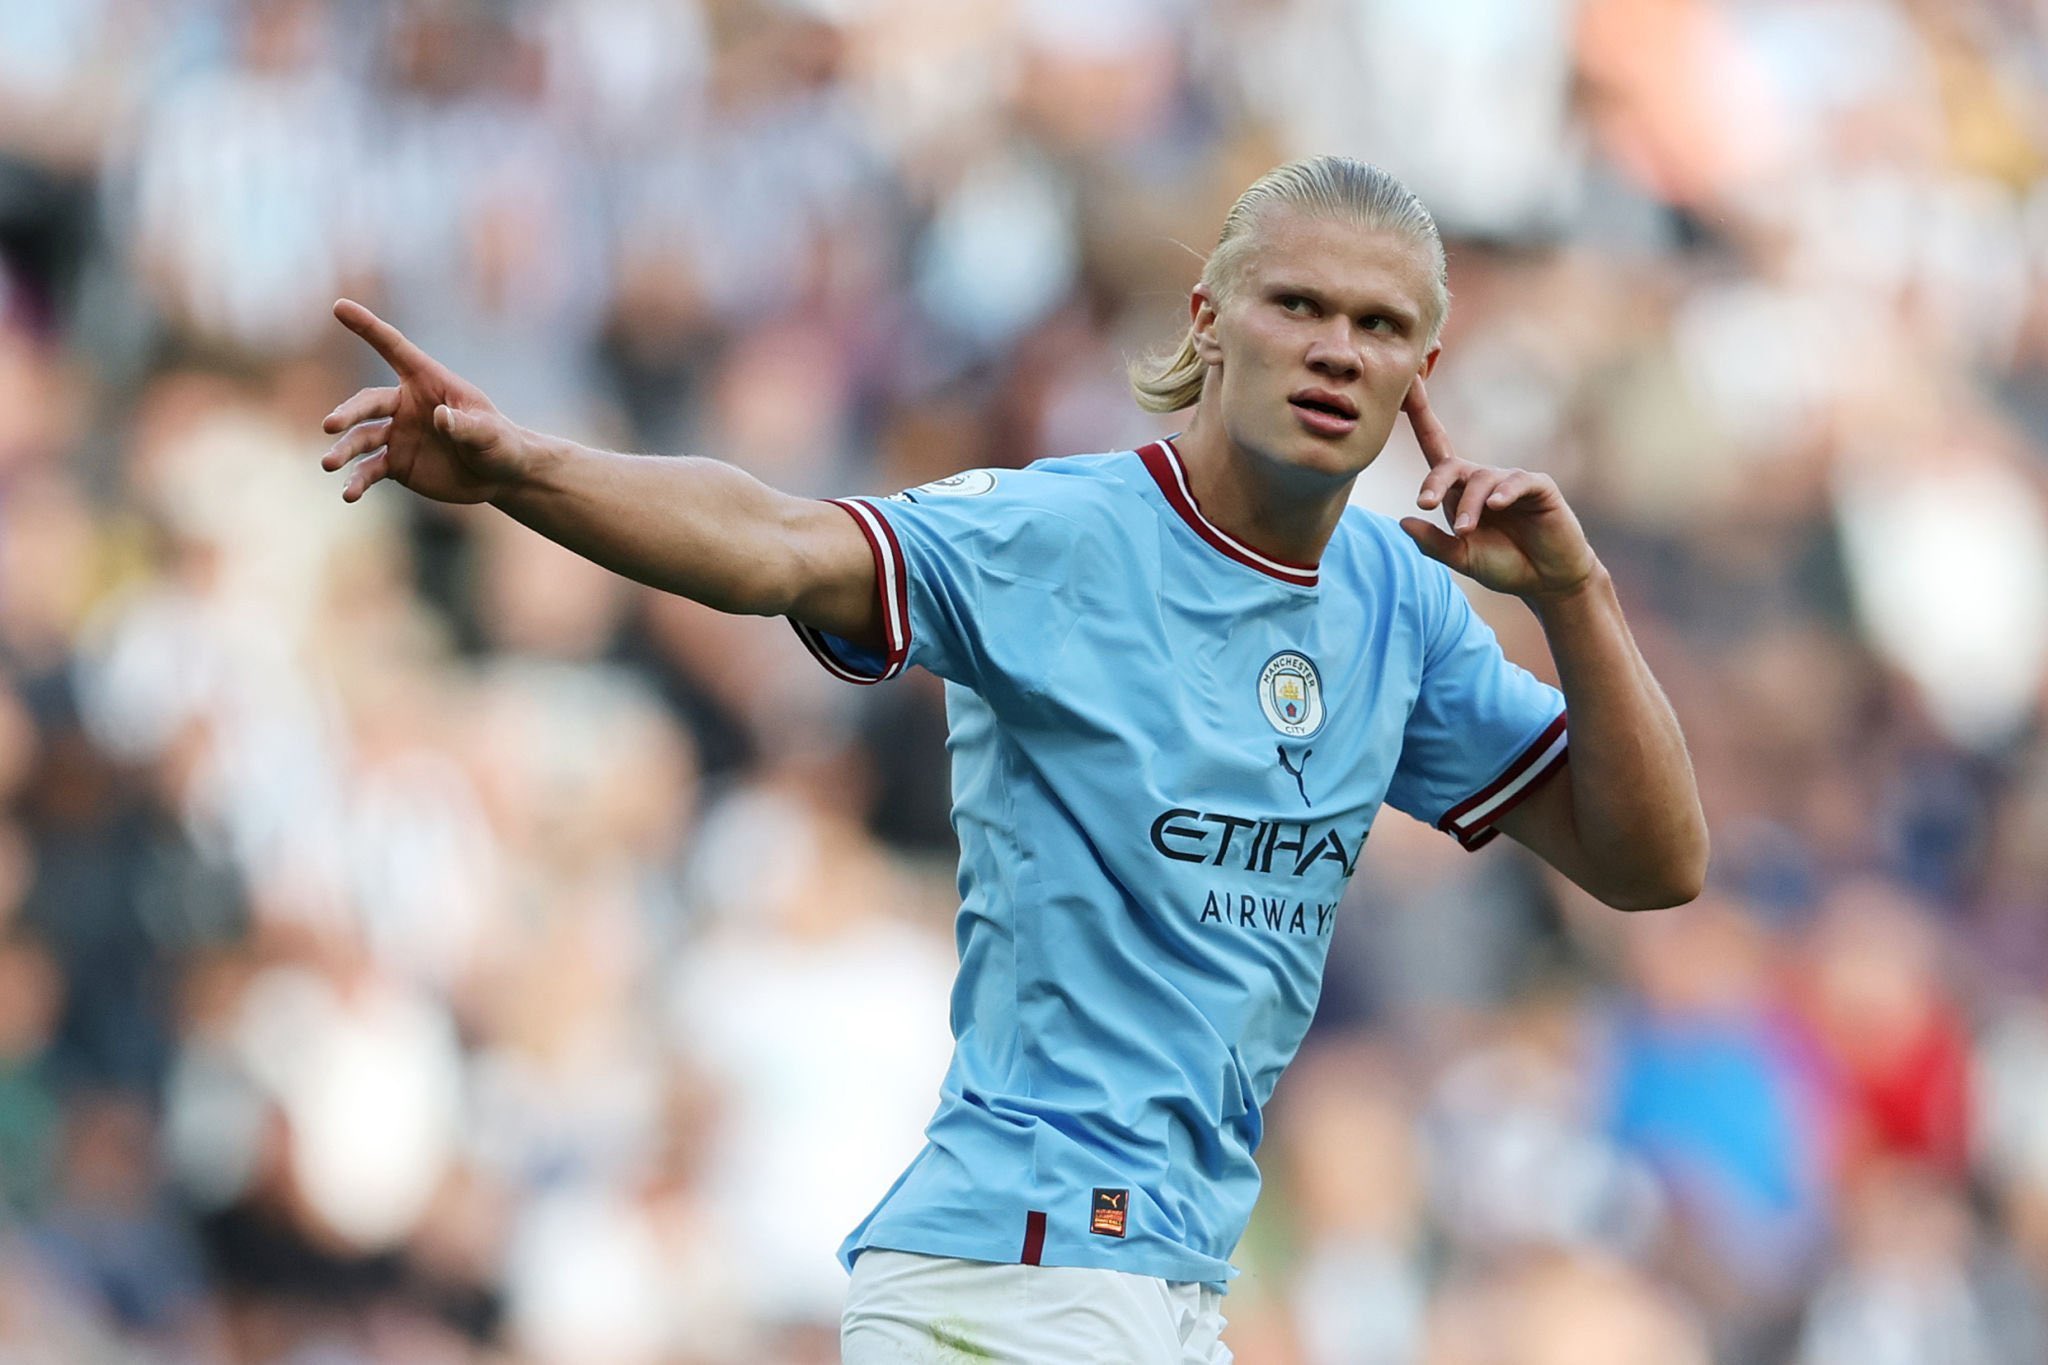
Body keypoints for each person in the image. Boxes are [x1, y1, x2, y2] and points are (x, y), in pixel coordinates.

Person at [319, 156, 1707, 1363]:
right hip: (1021, 1262)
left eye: (1379, 323)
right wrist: (523, 468)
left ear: (1422, 374)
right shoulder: (1062, 537)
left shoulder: (1401, 610)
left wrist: (1574, 593)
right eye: (1298, 305)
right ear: (1209, 322)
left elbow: (1653, 863)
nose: (1337, 348)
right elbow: (774, 541)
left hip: (1170, 1277)